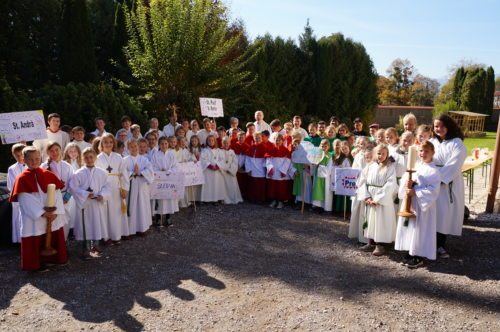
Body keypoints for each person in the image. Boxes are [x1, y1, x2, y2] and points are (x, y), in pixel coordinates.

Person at [10, 146, 68, 272]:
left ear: (40, 157)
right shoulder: (21, 179)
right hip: (34, 217)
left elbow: (57, 193)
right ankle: (35, 265)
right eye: (30, 159)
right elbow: (25, 199)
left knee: (54, 234)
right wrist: (42, 213)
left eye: (37, 158)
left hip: (51, 214)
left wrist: (55, 211)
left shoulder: (48, 174)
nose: (34, 161)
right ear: (24, 160)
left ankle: (55, 259)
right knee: (34, 237)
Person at [395, 141, 441, 268]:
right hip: (411, 202)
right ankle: (410, 252)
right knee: (410, 227)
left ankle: (418, 255)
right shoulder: (415, 166)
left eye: (426, 151)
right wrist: (407, 184)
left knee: (420, 229)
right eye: (421, 151)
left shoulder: (434, 171)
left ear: (433, 153)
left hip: (422, 206)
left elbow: (433, 190)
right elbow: (405, 180)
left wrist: (416, 191)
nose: (423, 153)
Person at [431, 114, 467, 259]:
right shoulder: (432, 141)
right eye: (435, 126)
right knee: (432, 213)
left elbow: (454, 164)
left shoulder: (457, 143)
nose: (438, 129)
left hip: (447, 184)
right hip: (431, 182)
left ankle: (440, 245)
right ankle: (428, 243)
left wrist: (437, 178)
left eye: (441, 126)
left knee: (443, 214)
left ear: (448, 126)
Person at [69, 147, 110, 259]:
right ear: (82, 159)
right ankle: (85, 248)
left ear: (95, 158)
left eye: (91, 157)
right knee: (85, 225)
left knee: (96, 223)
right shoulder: (78, 173)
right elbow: (73, 188)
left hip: (96, 203)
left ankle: (95, 245)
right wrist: (85, 194)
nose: (89, 159)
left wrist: (102, 195)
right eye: (86, 157)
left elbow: (107, 186)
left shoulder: (102, 173)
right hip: (84, 204)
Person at [358, 144, 397, 256]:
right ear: (375, 154)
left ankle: (380, 245)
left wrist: (378, 199)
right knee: (370, 220)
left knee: (380, 221)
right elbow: (362, 181)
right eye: (378, 153)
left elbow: (390, 184)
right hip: (370, 197)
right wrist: (367, 196)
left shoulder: (390, 168)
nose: (380, 156)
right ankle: (370, 242)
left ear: (387, 154)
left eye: (383, 153)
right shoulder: (370, 166)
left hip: (381, 199)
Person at [96, 133, 130, 243]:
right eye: (105, 142)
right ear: (101, 144)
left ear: (113, 143)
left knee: (116, 212)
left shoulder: (118, 157)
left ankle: (116, 235)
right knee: (104, 212)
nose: (108, 144)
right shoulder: (98, 158)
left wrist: (125, 188)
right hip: (103, 188)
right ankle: (106, 237)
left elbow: (124, 173)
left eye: (111, 142)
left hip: (116, 188)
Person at [41, 141, 74, 239]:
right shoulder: (44, 167)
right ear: (48, 153)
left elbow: (72, 184)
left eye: (56, 150)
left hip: (64, 198)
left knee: (64, 221)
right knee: (51, 221)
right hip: (50, 199)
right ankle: (51, 244)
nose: (54, 153)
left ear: (61, 151)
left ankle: (63, 243)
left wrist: (66, 197)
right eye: (51, 151)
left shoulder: (67, 166)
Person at [123, 139, 154, 235]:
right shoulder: (125, 160)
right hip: (131, 187)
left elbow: (150, 172)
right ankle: (130, 230)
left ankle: (142, 228)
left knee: (142, 206)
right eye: (131, 147)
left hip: (141, 187)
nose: (134, 148)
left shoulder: (144, 159)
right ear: (128, 148)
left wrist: (140, 172)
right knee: (131, 206)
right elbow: (122, 173)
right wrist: (132, 173)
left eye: (136, 146)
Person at [151, 136, 179, 227]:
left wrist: (169, 171)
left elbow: (175, 166)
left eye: (166, 143)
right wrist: (160, 171)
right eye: (162, 144)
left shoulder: (172, 154)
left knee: (168, 198)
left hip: (169, 179)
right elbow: (152, 167)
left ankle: (168, 217)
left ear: (168, 144)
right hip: (159, 180)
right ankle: (158, 217)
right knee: (160, 198)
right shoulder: (155, 155)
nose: (164, 145)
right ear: (159, 145)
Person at [348, 147, 374, 244]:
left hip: (373, 196)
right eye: (367, 157)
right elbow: (361, 182)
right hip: (365, 195)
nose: (369, 159)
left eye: (371, 157)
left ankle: (371, 239)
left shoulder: (376, 167)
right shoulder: (365, 168)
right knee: (363, 216)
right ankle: (363, 238)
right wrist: (365, 195)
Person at [266, 134, 293, 209]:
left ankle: (280, 201)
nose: (277, 141)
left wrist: (283, 170)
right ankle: (274, 200)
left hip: (281, 172)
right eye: (276, 140)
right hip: (273, 172)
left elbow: (287, 161)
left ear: (282, 141)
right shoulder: (271, 150)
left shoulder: (286, 150)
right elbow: (268, 160)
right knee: (273, 187)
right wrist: (270, 168)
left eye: (279, 140)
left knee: (281, 187)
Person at [7, 143, 27, 243]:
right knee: (18, 220)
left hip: (30, 196)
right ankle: (20, 240)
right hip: (18, 197)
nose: (19, 157)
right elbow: (11, 185)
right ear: (13, 155)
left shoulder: (30, 165)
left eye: (21, 154)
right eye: (17, 155)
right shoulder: (12, 169)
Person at [200, 135, 226, 204]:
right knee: (208, 185)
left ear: (215, 141)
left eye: (212, 140)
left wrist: (217, 166)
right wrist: (209, 166)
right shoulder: (204, 151)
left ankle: (216, 199)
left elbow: (222, 159)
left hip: (217, 171)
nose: (211, 142)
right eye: (209, 140)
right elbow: (202, 160)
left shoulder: (219, 150)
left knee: (216, 184)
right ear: (207, 141)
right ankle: (207, 199)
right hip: (208, 171)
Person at [245, 132, 268, 203]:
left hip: (261, 169)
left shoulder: (264, 147)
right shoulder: (251, 147)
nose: (257, 139)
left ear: (261, 138)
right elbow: (247, 159)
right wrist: (248, 169)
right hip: (252, 168)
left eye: (259, 138)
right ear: (254, 138)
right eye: (256, 138)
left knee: (260, 184)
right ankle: (252, 198)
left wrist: (265, 167)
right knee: (252, 184)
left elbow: (266, 159)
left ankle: (260, 199)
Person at [311, 139, 333, 213]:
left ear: (328, 147)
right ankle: (316, 206)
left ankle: (323, 207)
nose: (323, 147)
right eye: (322, 145)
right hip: (317, 176)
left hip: (324, 178)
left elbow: (329, 169)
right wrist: (313, 165)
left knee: (324, 191)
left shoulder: (329, 156)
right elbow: (313, 163)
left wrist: (319, 166)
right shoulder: (317, 154)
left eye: (325, 146)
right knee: (316, 189)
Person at [220, 137, 243, 204]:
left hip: (230, 172)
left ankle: (233, 198)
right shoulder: (219, 151)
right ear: (222, 143)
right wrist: (225, 168)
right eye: (224, 143)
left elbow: (235, 162)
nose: (226, 144)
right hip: (223, 172)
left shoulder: (232, 151)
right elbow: (218, 161)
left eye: (227, 143)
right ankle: (224, 199)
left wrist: (230, 169)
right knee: (224, 186)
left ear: (229, 143)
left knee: (232, 186)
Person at [231, 131, 250, 199]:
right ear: (237, 137)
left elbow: (248, 158)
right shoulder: (234, 145)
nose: (241, 138)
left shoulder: (247, 146)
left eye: (242, 137)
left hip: (243, 166)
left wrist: (243, 165)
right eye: (239, 137)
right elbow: (232, 156)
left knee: (244, 181)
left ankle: (244, 194)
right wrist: (236, 165)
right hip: (236, 166)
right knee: (236, 181)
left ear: (245, 138)